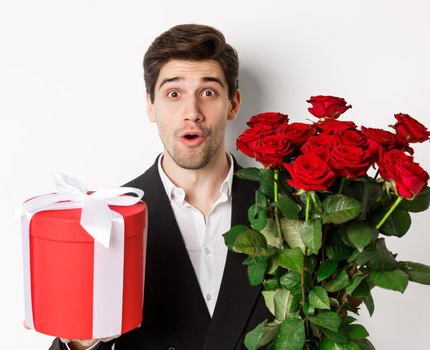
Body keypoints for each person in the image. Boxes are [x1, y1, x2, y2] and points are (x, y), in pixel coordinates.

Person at [48, 23, 270, 350]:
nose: (191, 113)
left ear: (233, 104)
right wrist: (81, 343)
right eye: (173, 94)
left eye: (208, 93)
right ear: (151, 105)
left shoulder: (284, 208)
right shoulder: (105, 219)